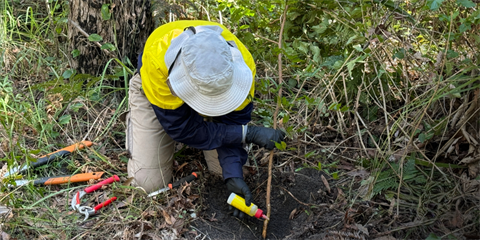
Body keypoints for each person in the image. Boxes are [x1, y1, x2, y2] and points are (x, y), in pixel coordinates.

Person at [125, 20, 285, 214]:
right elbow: (183, 129)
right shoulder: (158, 61)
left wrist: (233, 175)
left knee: (224, 172)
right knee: (147, 184)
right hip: (157, 95)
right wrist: (247, 133)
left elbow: (234, 122)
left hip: (206, 89)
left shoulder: (245, 66)